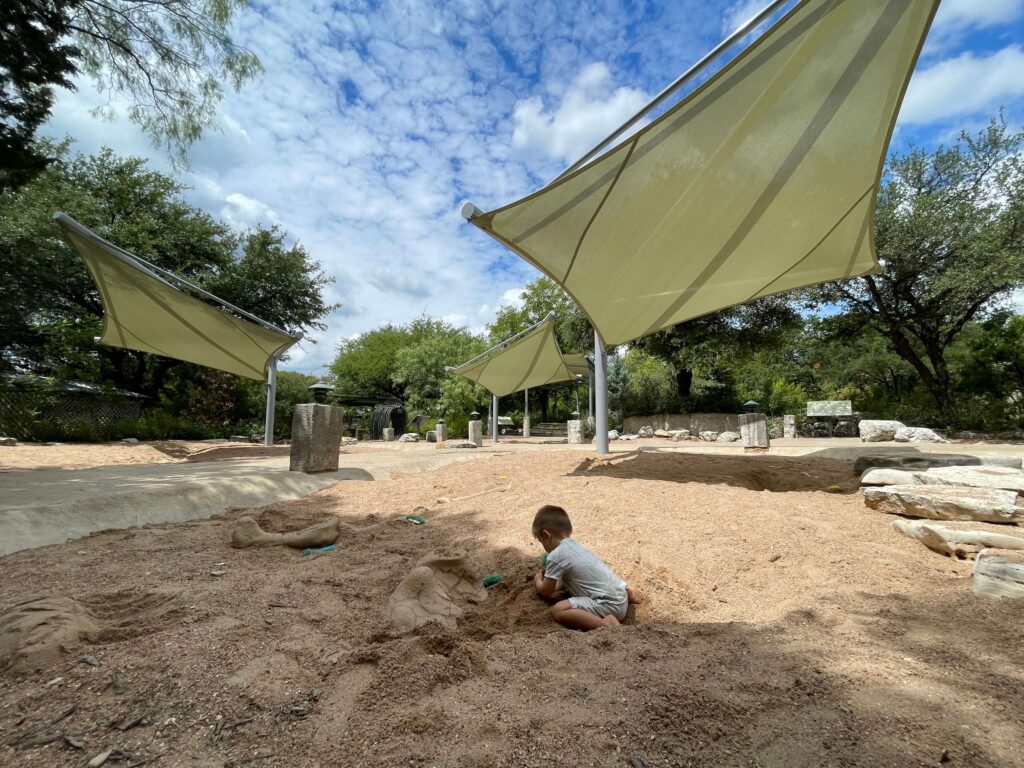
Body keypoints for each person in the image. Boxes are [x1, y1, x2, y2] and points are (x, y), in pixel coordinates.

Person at [532, 504, 639, 630]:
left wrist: (538, 580)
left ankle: (606, 624)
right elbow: (563, 583)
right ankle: (628, 592)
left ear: (546, 535)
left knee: (559, 610)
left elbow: (546, 591)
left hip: (608, 607)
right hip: (620, 597)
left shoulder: (555, 556)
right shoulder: (576, 547)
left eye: (541, 541)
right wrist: (551, 577)